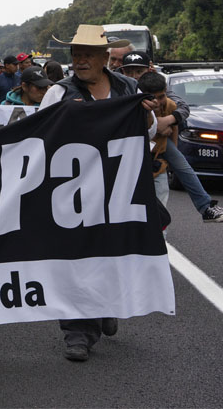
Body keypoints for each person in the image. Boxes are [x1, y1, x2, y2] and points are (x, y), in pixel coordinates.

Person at [41, 24, 159, 362]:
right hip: (73, 193)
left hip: (119, 190)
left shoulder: (128, 88)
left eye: (87, 55)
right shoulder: (59, 93)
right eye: (76, 55)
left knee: (111, 255)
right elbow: (40, 136)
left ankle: (106, 304)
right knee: (75, 260)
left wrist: (146, 118)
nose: (80, 61)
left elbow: (149, 131)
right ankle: (78, 333)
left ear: (105, 57)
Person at [117, 52, 223, 222]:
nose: (134, 76)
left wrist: (166, 122)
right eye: (129, 72)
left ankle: (205, 207)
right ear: (122, 72)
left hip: (157, 148)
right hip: (126, 146)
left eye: (139, 71)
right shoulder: (118, 89)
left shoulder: (158, 89)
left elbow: (181, 109)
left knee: (182, 166)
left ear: (150, 70)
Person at [137, 71, 177, 206]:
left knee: (161, 203)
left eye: (161, 97)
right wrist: (160, 128)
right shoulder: (136, 108)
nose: (157, 102)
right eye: (152, 98)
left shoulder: (170, 106)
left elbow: (174, 129)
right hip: (136, 163)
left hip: (158, 163)